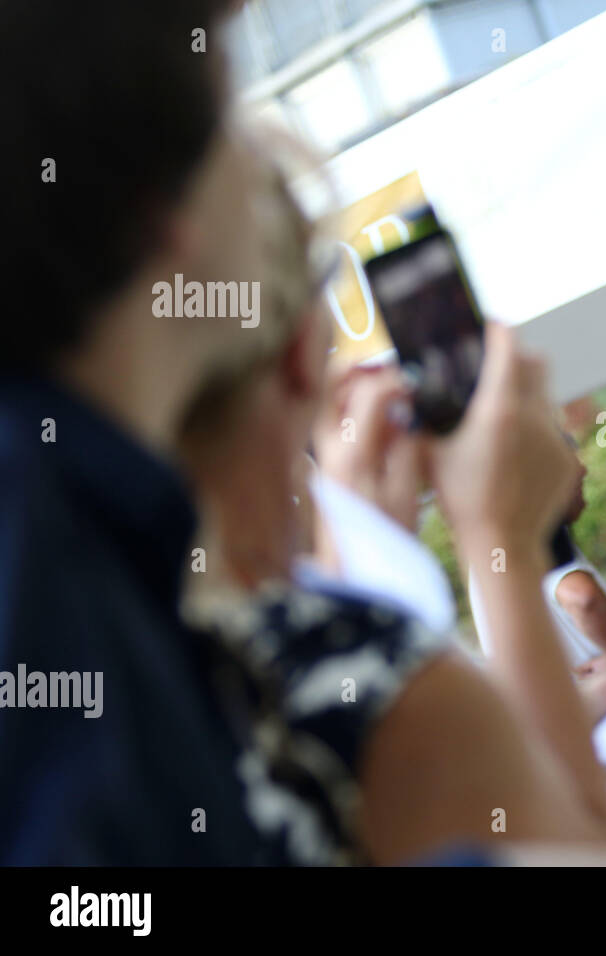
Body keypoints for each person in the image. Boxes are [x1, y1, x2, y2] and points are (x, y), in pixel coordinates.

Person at [179, 151, 606, 866]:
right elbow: (594, 856)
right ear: (306, 352)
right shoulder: (331, 648)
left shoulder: (181, 642)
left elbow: (511, 824)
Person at [0, 0, 288, 864]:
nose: (259, 164)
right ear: (162, 210)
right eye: (233, 123)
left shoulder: (83, 508)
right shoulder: (34, 532)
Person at [469, 439, 606, 675]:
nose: (583, 469)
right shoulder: (534, 535)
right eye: (568, 457)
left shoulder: (495, 545)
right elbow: (583, 598)